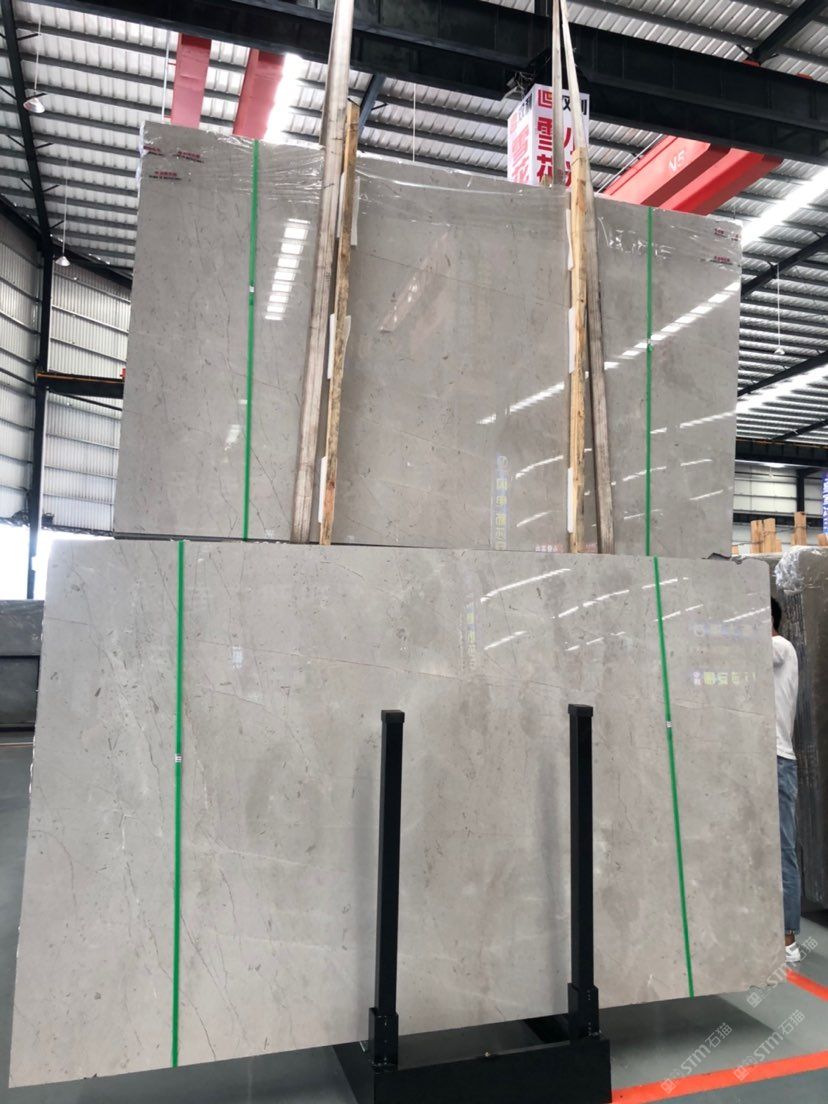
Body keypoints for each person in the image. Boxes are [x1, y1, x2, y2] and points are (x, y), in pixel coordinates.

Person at [771, 597, 801, 964]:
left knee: (782, 850)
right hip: (763, 760)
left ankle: (788, 936)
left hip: (778, 760)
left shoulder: (781, 647)